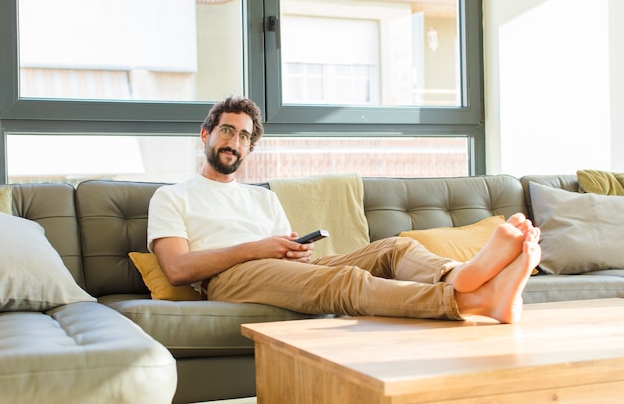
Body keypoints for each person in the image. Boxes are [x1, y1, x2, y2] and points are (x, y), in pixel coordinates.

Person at [148, 96, 541, 324]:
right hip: (228, 280)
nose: (235, 141)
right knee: (347, 281)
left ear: (250, 149)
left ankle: (461, 274)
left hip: (281, 269)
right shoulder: (172, 196)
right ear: (206, 134)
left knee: (393, 249)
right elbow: (178, 269)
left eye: (245, 136)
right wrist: (259, 248)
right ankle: (469, 301)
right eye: (228, 131)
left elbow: (289, 259)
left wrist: (294, 250)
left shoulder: (262, 198)